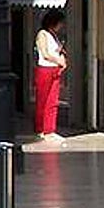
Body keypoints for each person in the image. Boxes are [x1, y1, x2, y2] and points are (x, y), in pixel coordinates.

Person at [34, 10, 67, 143]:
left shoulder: (54, 36)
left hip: (55, 70)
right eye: (60, 23)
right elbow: (45, 53)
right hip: (45, 69)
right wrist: (58, 60)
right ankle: (40, 128)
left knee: (52, 101)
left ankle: (50, 129)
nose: (61, 25)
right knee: (43, 100)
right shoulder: (42, 34)